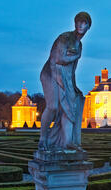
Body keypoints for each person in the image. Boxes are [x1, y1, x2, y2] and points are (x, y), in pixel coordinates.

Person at [38, 12, 91, 151]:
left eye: (84, 22)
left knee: (70, 106)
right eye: (78, 21)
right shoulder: (65, 38)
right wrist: (75, 57)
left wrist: (73, 86)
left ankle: (67, 141)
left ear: (88, 27)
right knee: (53, 107)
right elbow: (58, 59)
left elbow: (72, 69)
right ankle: (43, 139)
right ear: (75, 23)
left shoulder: (79, 45)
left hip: (65, 76)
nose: (80, 25)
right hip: (50, 73)